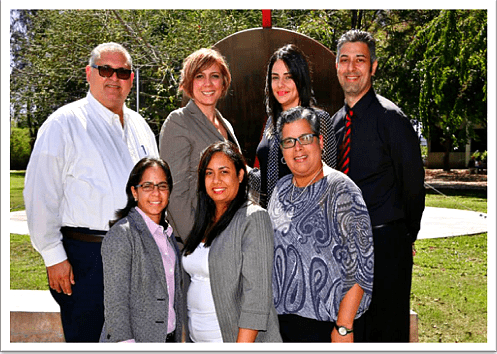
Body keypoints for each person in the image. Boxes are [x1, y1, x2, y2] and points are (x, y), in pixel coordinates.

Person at [23, 42, 158, 342]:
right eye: (105, 70)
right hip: (86, 258)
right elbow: (41, 195)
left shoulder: (140, 126)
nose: (114, 78)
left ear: (131, 79)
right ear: (89, 73)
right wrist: (52, 255)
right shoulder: (64, 124)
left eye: (122, 72)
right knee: (87, 339)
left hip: (137, 252)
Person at [331, 29, 425, 342]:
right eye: (344, 60)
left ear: (372, 67)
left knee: (384, 335)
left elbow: (413, 187)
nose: (351, 67)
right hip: (343, 250)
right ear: (336, 66)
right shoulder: (333, 124)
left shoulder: (392, 119)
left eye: (360, 60)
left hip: (385, 246)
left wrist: (403, 237)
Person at [268, 106, 374, 343]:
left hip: (328, 328)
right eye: (288, 141)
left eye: (305, 138)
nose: (298, 148)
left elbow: (362, 268)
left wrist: (343, 328)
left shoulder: (342, 190)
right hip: (282, 326)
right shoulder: (281, 189)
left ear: (321, 141)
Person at [182, 141, 282, 342]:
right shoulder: (203, 220)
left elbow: (256, 297)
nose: (216, 180)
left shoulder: (253, 218)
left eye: (224, 172)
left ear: (240, 175)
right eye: (209, 173)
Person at [160, 48, 241, 244]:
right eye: (199, 76)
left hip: (228, 235)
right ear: (189, 82)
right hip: (196, 240)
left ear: (223, 82)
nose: (208, 83)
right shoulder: (178, 121)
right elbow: (174, 192)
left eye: (214, 76)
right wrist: (198, 243)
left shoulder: (225, 124)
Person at [99, 157, 183, 343]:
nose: (156, 193)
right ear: (134, 192)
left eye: (162, 186)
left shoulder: (167, 235)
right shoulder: (122, 235)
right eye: (147, 186)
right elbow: (116, 304)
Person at [251, 44, 338, 208]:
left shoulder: (319, 119)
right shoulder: (271, 123)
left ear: (300, 79)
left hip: (304, 221)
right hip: (270, 221)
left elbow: (328, 181)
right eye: (275, 77)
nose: (280, 84)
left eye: (288, 77)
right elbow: (266, 179)